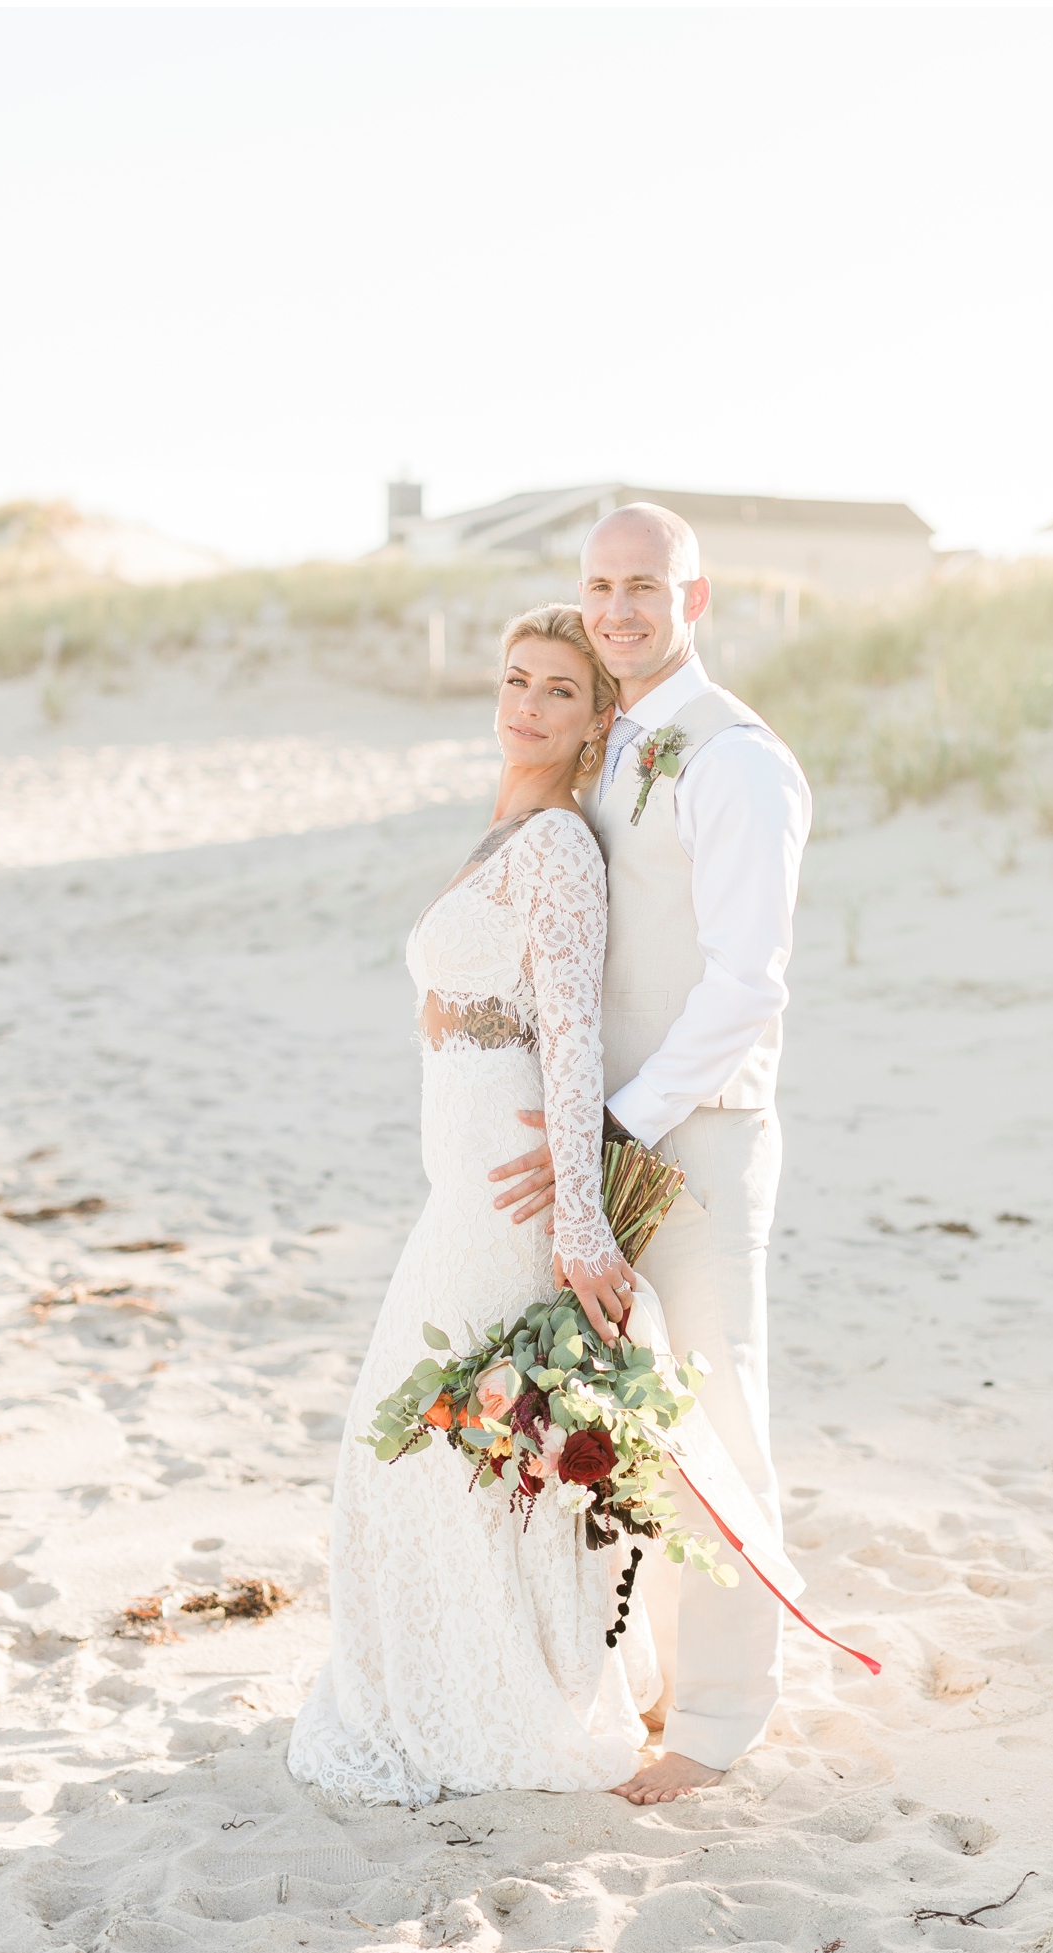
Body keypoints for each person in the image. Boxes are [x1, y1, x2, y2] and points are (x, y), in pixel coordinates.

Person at [287, 605, 662, 1804]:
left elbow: (571, 1026)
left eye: (560, 689)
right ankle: (464, 1679)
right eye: (515, 679)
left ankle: (499, 1702)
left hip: (507, 1186)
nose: (528, 704)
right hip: (462, 1171)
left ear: (599, 715)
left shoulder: (555, 844)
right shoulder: (500, 833)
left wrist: (575, 1206)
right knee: (454, 1442)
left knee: (426, 1438)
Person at [489, 504, 812, 1805]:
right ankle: (670, 1674)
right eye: (600, 585)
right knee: (641, 1429)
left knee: (718, 1416)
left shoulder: (732, 758)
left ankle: (722, 1723)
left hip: (700, 1136)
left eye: (644, 587)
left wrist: (621, 1122)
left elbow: (749, 984)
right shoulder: (616, 741)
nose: (619, 608)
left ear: (695, 595)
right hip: (620, 1133)